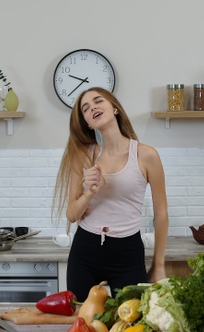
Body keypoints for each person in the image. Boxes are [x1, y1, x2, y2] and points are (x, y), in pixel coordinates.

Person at [52, 87, 169, 301]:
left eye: (98, 101)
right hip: (85, 250)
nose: (93, 107)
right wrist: (88, 192)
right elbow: (71, 215)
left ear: (114, 108)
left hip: (128, 252)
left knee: (131, 322)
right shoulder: (84, 156)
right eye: (86, 109)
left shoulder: (146, 155)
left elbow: (161, 214)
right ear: (88, 122)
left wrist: (158, 265)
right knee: (83, 322)